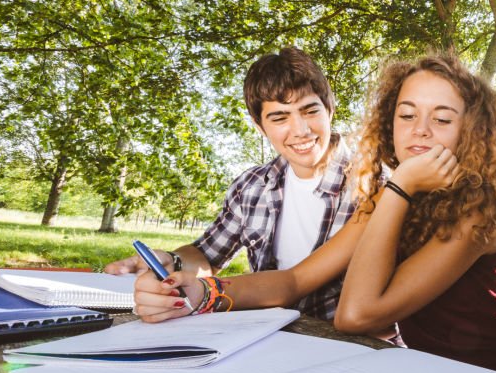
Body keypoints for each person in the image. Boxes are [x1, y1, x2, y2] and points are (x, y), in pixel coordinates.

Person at [133, 55, 496, 373]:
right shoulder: (394, 194)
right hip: (414, 372)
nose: (420, 131)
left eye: (441, 119)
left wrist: (399, 186)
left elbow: (356, 315)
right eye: (407, 116)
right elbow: (294, 280)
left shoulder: (477, 208)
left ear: (472, 130)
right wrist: (207, 291)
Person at [106, 47, 357, 320]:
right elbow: (206, 257)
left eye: (309, 111)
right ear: (260, 126)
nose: (300, 130)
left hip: (348, 344)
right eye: (280, 117)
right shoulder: (251, 186)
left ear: (329, 108)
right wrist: (173, 261)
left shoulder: (370, 185)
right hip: (267, 336)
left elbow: (293, 283)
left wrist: (206, 293)